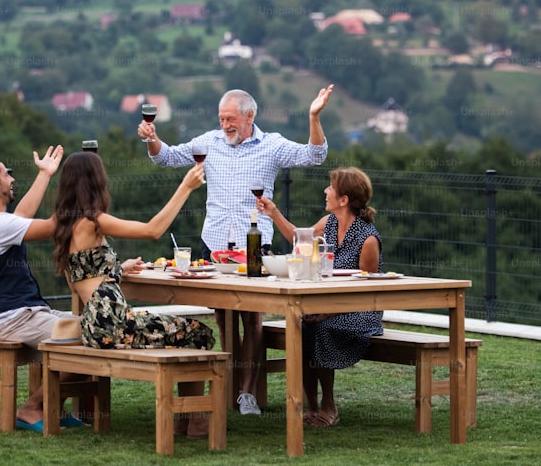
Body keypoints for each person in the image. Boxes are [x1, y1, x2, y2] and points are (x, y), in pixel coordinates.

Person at [138, 85, 334, 415]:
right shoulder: (209, 143)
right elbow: (167, 157)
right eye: (221, 118)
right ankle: (228, 385)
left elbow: (314, 155)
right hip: (214, 242)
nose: (225, 124)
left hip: (254, 244)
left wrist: (313, 117)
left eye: (230, 118)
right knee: (224, 317)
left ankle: (247, 394)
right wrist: (151, 138)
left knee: (252, 317)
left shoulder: (271, 145)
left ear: (249, 116)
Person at [51, 151, 214, 437]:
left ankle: (187, 418)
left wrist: (117, 270)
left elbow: (82, 281)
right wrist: (186, 187)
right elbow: (153, 230)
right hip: (114, 325)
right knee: (198, 332)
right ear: (95, 181)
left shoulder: (66, 227)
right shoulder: (94, 221)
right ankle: (194, 420)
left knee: (187, 331)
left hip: (96, 324)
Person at [0, 146, 86, 433]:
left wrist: (45, 174)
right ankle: (32, 407)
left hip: (21, 313)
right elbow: (50, 227)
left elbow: (22, 214)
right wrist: (78, 188)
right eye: (8, 174)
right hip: (12, 317)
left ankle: (51, 406)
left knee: (95, 328)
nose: (12, 179)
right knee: (89, 335)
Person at [256, 166, 382, 428]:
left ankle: (328, 404)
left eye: (330, 188)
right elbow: (298, 238)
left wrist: (329, 312)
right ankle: (311, 406)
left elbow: (368, 294)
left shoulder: (368, 239)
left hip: (359, 313)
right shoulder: (329, 223)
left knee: (321, 326)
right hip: (326, 306)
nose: (325, 191)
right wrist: (273, 212)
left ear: (344, 199)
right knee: (303, 326)